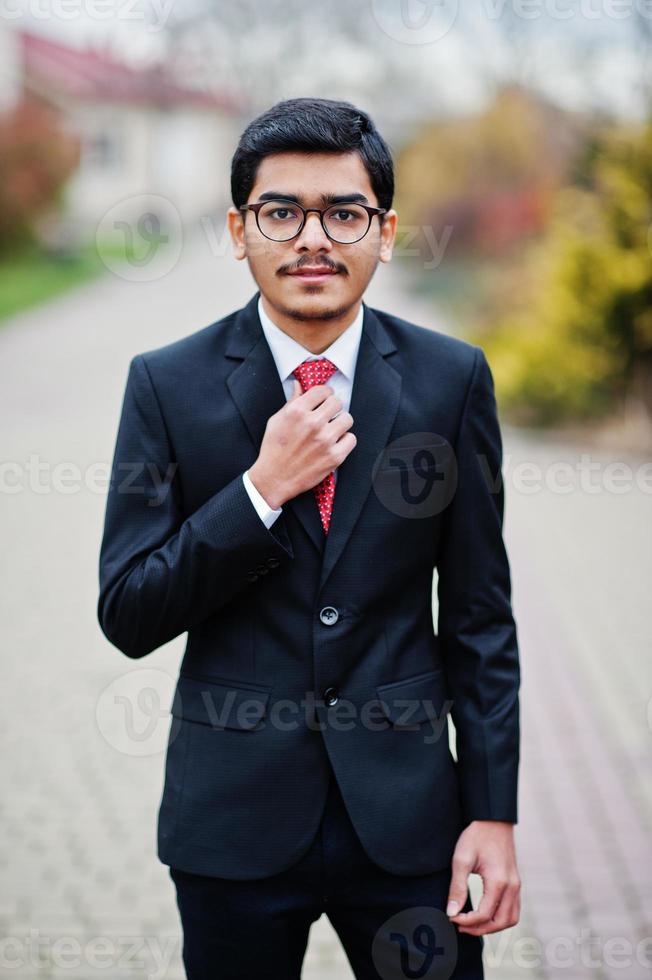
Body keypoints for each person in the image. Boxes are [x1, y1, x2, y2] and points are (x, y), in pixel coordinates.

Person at [97, 96, 521, 980]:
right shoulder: (166, 386)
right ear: (238, 229)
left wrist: (492, 813)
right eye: (281, 211)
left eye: (345, 212)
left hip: (409, 823)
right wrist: (258, 490)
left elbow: (480, 617)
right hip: (232, 821)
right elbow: (130, 609)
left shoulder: (451, 381)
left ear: (387, 230)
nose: (313, 238)